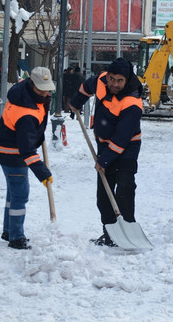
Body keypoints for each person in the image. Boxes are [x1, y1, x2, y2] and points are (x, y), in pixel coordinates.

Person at [69, 57, 143, 246]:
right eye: (112, 79)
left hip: (127, 148)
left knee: (125, 188)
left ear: (127, 80)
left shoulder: (132, 102)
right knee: (104, 194)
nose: (114, 84)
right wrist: (76, 102)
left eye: (119, 81)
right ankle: (110, 234)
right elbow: (86, 87)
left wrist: (104, 160)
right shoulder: (100, 81)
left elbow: (121, 139)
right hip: (104, 144)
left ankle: (127, 231)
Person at [0, 66, 55, 250]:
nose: (44, 93)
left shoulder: (25, 94)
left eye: (47, 89)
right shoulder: (25, 112)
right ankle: (16, 237)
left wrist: (38, 132)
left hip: (8, 148)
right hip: (12, 153)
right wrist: (42, 172)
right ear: (31, 84)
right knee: (20, 195)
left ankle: (8, 230)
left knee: (13, 194)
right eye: (40, 89)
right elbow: (26, 150)